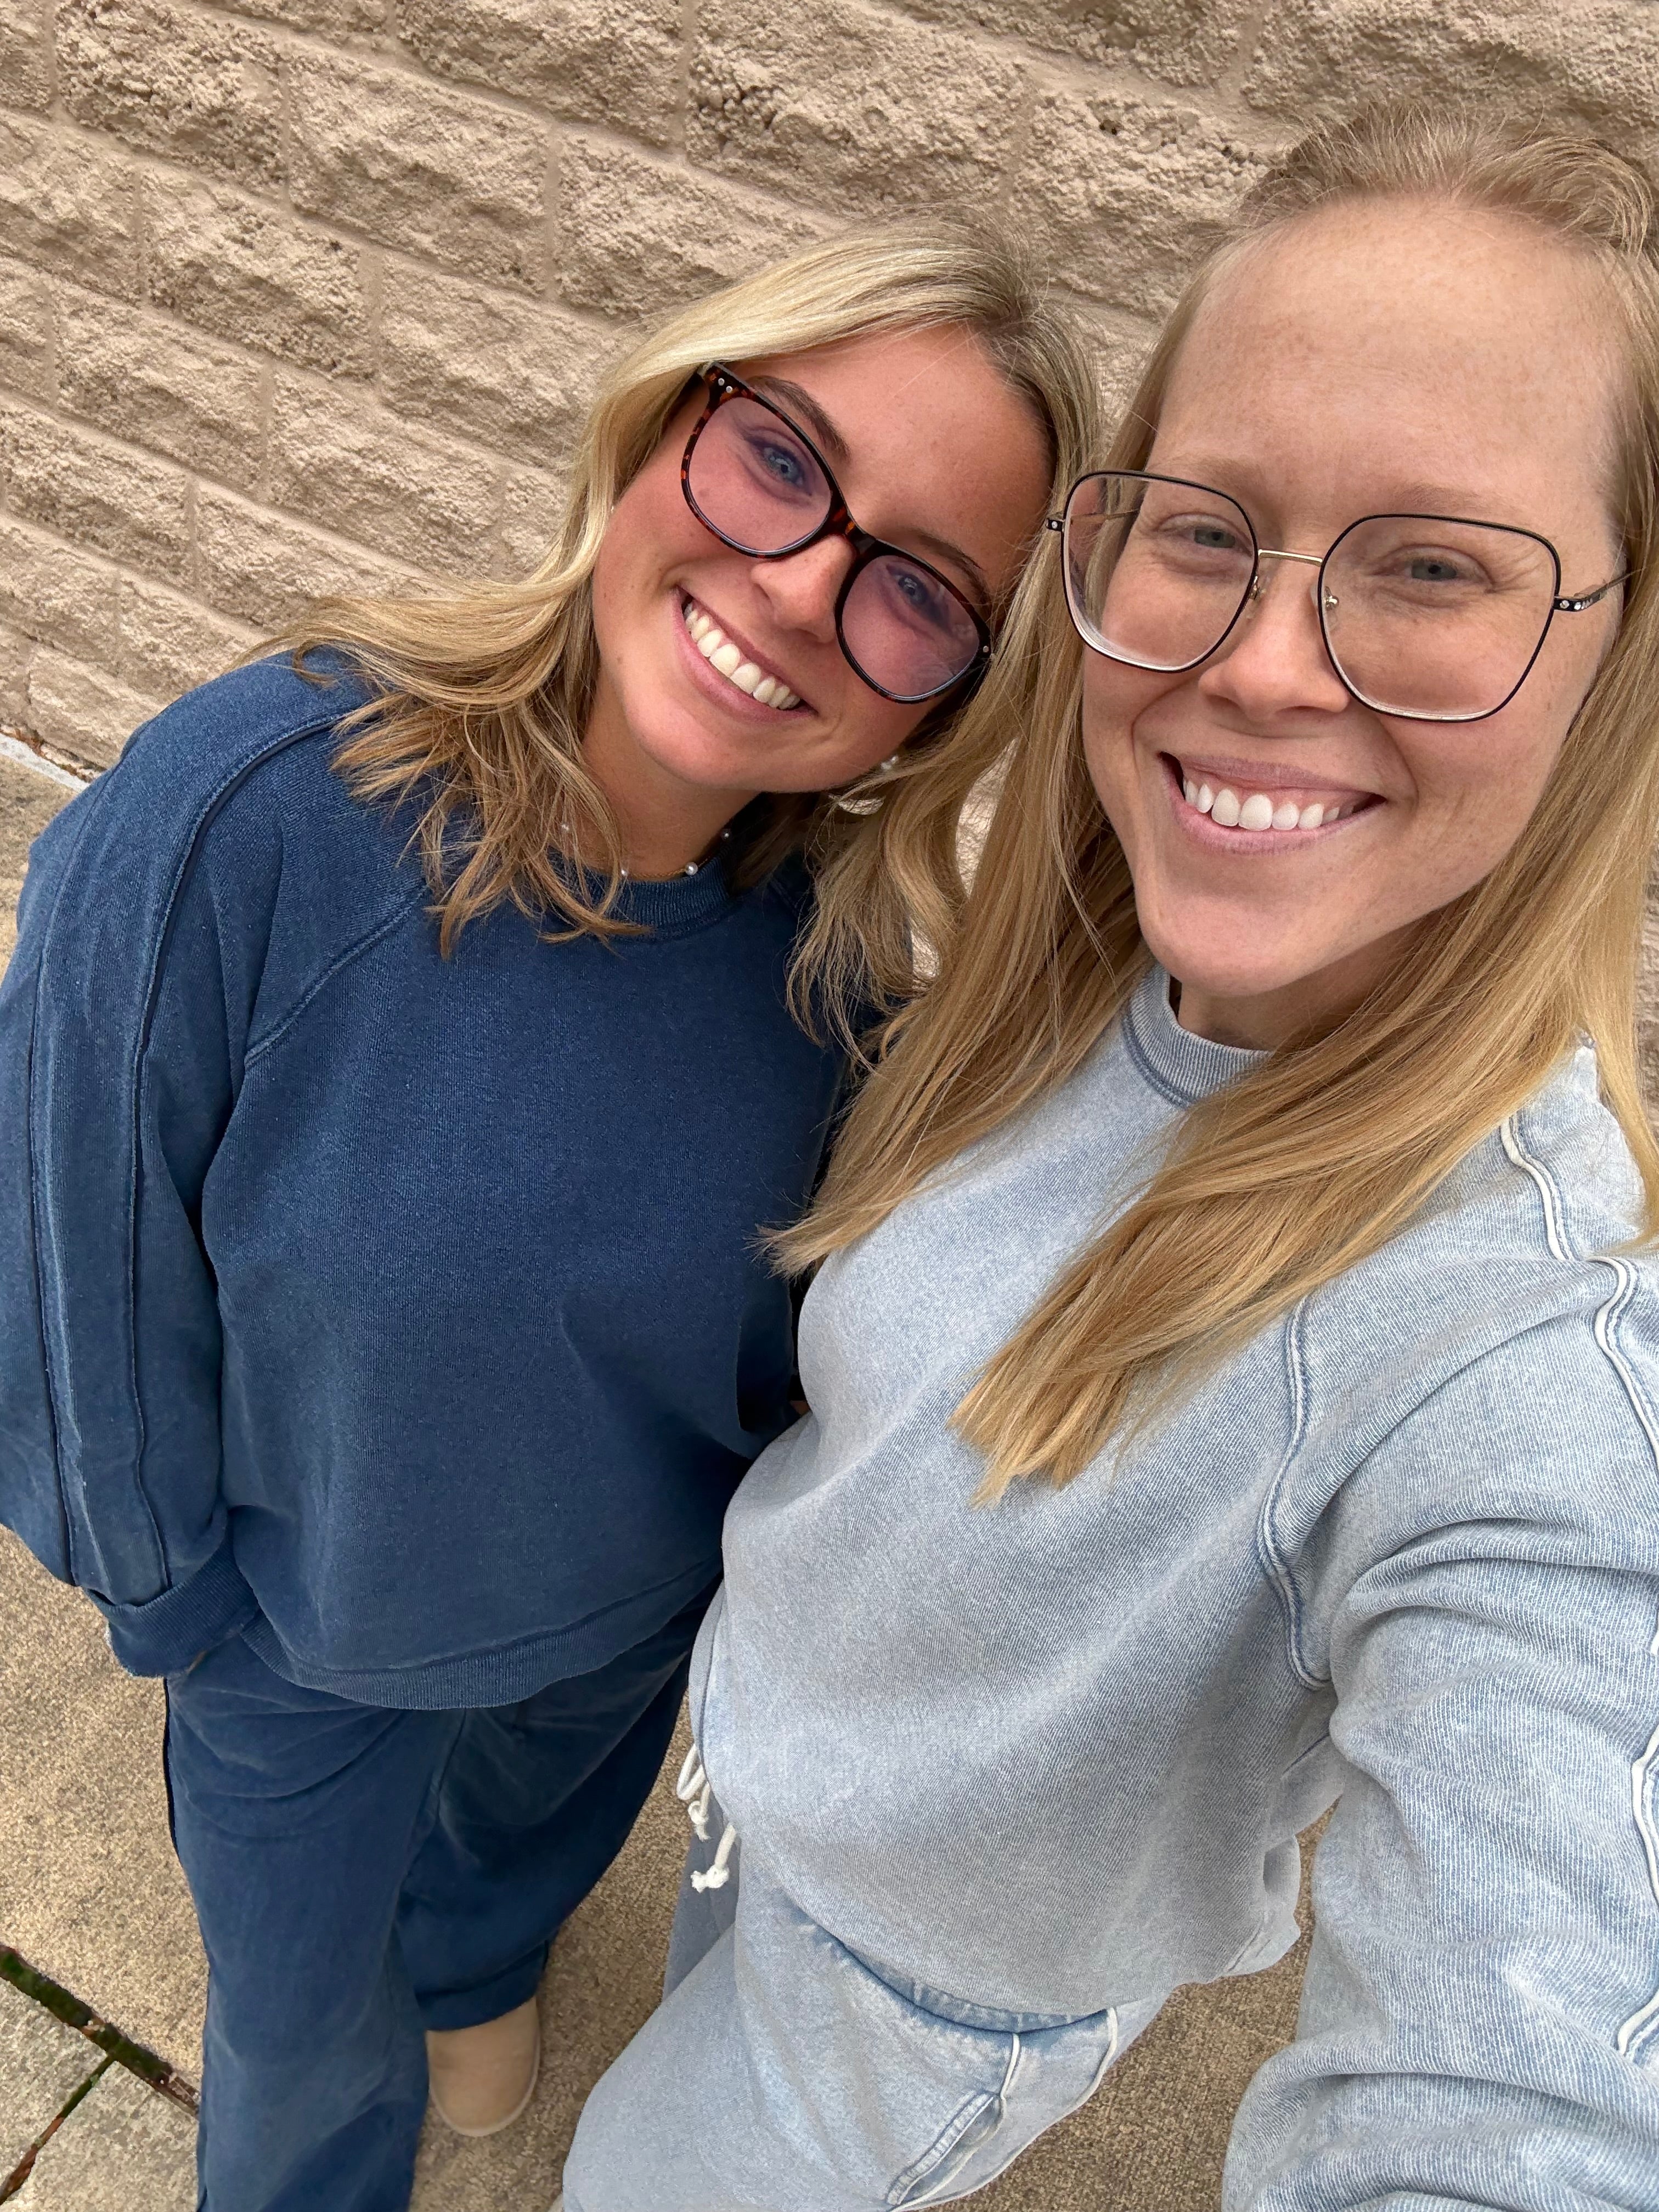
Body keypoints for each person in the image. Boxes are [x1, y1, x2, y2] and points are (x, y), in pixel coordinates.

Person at [562, 103, 1659, 2211]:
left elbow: (1530, 2080)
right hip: (763, 1810)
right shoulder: (1074, 982)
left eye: (1437, 565)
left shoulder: (1530, 1363)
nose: (1260, 664)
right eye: (1209, 530)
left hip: (909, 2012)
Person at [0, 221, 1097, 2212]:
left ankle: (476, 1970)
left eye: (919, 591)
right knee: (292, 2031)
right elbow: (76, 1255)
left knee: (511, 1872)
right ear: (665, 424)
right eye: (782, 458)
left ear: (944, 705)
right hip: (305, 1648)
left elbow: (789, 1364)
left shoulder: (842, 990)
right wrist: (179, 1609)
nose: (803, 587)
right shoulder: (246, 819)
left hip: (616, 1643)